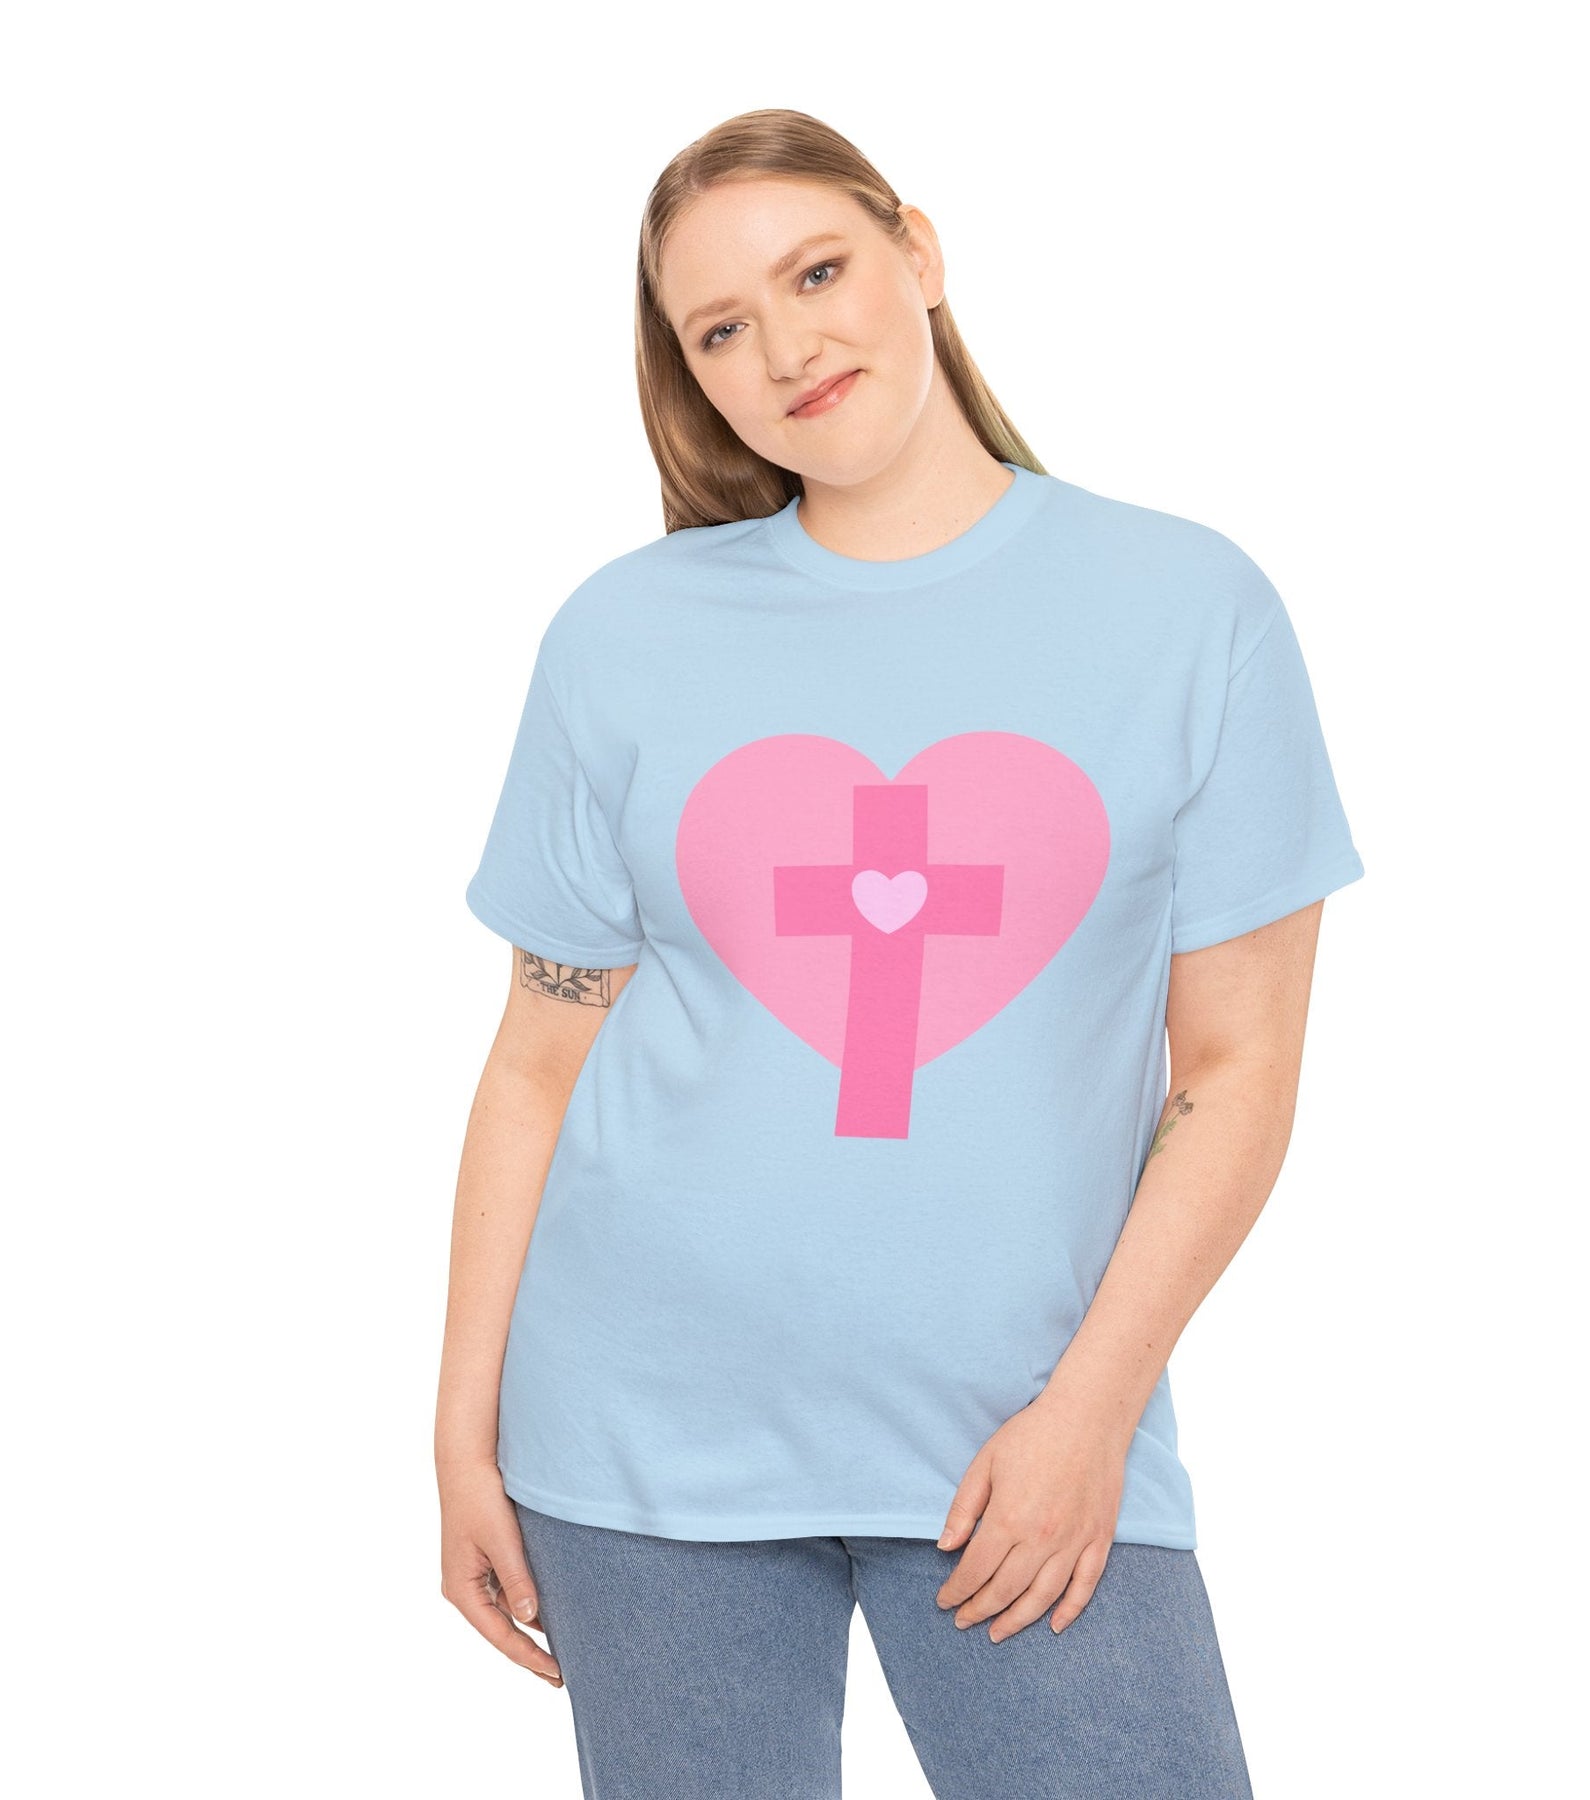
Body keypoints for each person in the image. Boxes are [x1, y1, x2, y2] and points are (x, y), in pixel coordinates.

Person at [436, 106, 1365, 1800]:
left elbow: (1238, 1072)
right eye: (721, 329)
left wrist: (1092, 1412)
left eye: (817, 274)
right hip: (639, 1446)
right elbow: (537, 1060)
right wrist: (462, 1432)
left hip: (1020, 1440)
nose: (787, 349)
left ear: (917, 253)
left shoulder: (1188, 609)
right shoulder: (624, 636)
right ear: (689, 376)